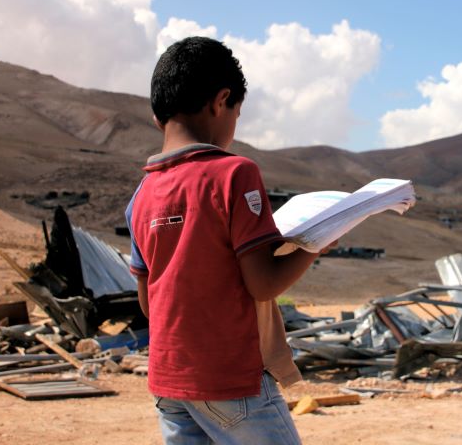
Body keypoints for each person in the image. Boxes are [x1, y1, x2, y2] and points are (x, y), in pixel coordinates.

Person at [125, 36, 324, 444]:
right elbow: (264, 283)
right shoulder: (234, 174)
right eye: (237, 112)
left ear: (156, 115)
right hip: (233, 381)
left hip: (169, 385)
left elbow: (149, 302)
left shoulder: (140, 198)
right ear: (221, 101)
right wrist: (318, 241)